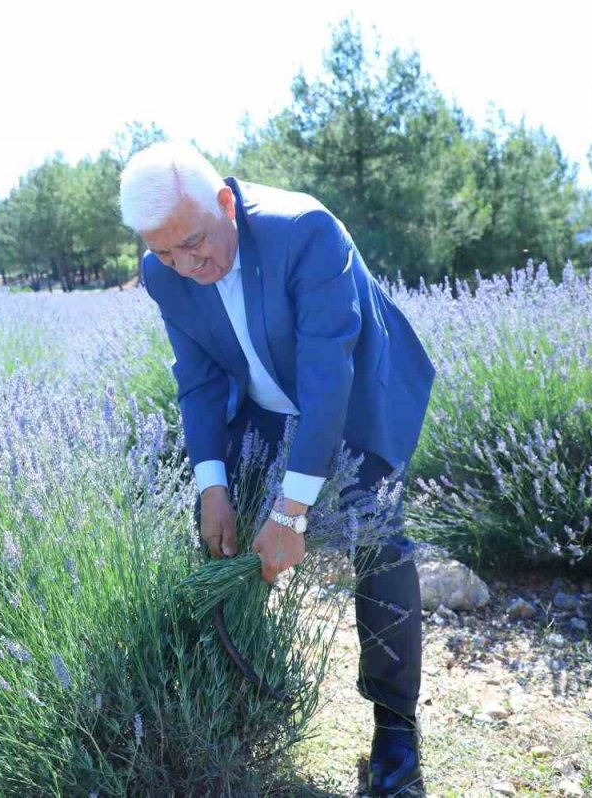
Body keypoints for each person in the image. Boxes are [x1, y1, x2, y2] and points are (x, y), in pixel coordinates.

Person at [120, 141, 436, 797]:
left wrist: (291, 511)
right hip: (265, 405)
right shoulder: (163, 272)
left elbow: (327, 379)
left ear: (227, 203)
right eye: (165, 251)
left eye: (194, 242)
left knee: (378, 541)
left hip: (355, 393)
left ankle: (395, 727)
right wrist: (213, 484)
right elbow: (199, 380)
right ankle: (228, 696)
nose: (185, 264)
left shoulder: (305, 231)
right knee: (214, 533)